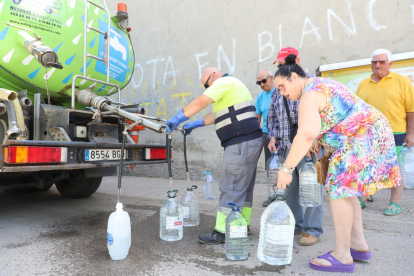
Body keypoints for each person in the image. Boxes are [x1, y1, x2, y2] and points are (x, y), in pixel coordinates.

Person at [274, 56, 401, 273]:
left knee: (338, 190)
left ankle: (342, 255)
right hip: (371, 132)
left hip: (359, 137)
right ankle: (358, 245)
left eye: (282, 86)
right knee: (347, 190)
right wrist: (318, 136)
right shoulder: (319, 84)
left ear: (294, 77)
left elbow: (305, 133)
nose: (281, 92)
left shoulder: (309, 94)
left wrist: (286, 169)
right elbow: (326, 117)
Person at [165, 67, 262, 244]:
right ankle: (241, 223)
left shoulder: (224, 82)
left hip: (240, 142)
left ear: (214, 75)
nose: (206, 88)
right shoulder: (231, 88)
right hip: (249, 141)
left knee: (231, 185)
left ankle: (222, 231)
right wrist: (194, 124)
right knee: (243, 186)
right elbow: (215, 116)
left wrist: (178, 118)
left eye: (206, 84)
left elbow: (200, 102)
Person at [267, 47, 324, 246]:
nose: (283, 67)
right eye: (280, 64)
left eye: (286, 63)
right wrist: (273, 136)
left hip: (309, 145)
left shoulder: (311, 85)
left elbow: (321, 115)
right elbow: (272, 115)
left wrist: (313, 138)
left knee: (312, 188)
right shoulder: (278, 88)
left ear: (297, 61)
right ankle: (296, 224)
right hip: (285, 145)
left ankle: (312, 229)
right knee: (289, 188)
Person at [355, 48, 414, 216]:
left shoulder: (402, 82)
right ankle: (363, 198)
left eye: (382, 61)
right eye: (374, 62)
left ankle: (394, 203)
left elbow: (411, 110)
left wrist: (411, 134)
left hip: (395, 133)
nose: (377, 64)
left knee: (395, 169)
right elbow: (358, 111)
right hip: (368, 134)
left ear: (390, 63)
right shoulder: (363, 84)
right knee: (366, 166)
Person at [254, 69, 277, 206]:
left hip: (282, 136)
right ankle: (273, 195)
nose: (262, 84)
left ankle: (288, 195)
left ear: (271, 78)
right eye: (259, 82)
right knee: (271, 167)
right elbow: (256, 119)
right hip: (267, 136)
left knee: (286, 165)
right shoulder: (260, 97)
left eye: (264, 81)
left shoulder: (280, 92)